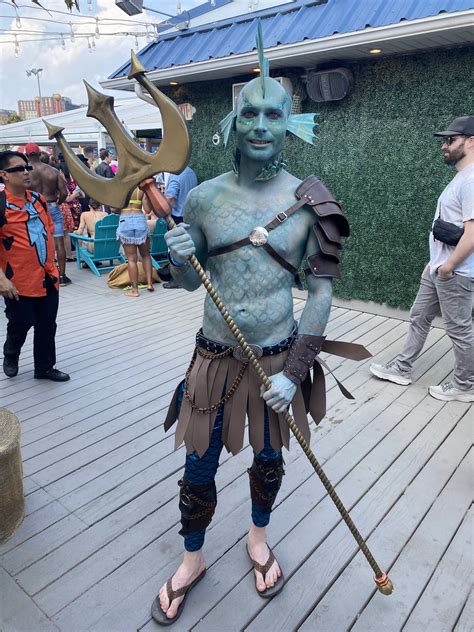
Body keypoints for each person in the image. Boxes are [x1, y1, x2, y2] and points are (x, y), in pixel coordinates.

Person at [150, 33, 359, 625]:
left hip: (275, 363)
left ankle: (257, 537)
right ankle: (192, 558)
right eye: (251, 114)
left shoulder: (312, 203)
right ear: (233, 124)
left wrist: (295, 375)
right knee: (199, 465)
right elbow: (192, 286)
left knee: (269, 461)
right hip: (212, 361)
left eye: (274, 113)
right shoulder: (205, 200)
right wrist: (181, 254)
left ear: (292, 122)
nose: (262, 124)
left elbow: (320, 294)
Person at [370, 116, 474, 402]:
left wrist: (449, 267)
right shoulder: (461, 177)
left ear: (471, 141)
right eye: (444, 140)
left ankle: (465, 385)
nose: (444, 145)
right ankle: (402, 368)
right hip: (440, 268)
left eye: (451, 140)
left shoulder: (473, 178)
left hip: (457, 273)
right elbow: (448, 227)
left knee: (459, 329)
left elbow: (472, 233)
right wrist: (434, 262)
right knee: (419, 316)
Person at [0, 150, 70, 381]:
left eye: (26, 167)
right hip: (17, 280)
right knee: (22, 321)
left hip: (47, 275)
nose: (26, 171)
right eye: (18, 169)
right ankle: (11, 352)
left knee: (47, 323)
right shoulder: (1, 206)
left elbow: (48, 230)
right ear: (4, 175)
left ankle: (44, 367)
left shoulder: (38, 199)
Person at [24, 142, 71, 287]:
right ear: (39, 154)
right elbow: (64, 192)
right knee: (59, 243)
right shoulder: (52, 171)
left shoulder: (24, 173)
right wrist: (58, 201)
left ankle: (42, 276)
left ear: (26, 155)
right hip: (52, 206)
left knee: (36, 242)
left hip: (33, 208)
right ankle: (62, 276)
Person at [162, 167, 198, 289]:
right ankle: (190, 274)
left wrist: (163, 212)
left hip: (177, 218)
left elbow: (170, 197)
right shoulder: (191, 172)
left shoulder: (175, 175)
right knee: (189, 248)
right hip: (190, 216)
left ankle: (177, 279)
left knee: (176, 250)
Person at [116, 187, 154, 296]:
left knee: (131, 259)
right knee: (146, 254)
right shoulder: (141, 187)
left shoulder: (121, 186)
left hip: (125, 219)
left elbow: (113, 209)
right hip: (140, 219)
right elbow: (147, 209)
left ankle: (135, 290)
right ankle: (149, 283)